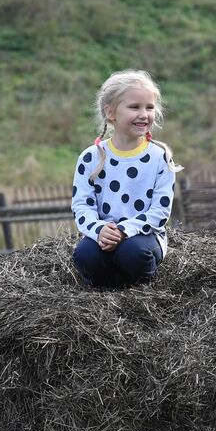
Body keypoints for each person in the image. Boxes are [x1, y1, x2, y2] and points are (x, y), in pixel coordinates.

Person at [70, 70, 181, 288]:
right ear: (110, 112)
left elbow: (160, 212)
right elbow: (82, 205)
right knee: (85, 256)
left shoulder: (160, 158)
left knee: (133, 253)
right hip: (102, 234)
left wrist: (123, 231)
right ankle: (103, 292)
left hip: (143, 235)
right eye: (134, 107)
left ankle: (142, 289)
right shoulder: (91, 157)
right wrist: (100, 230)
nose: (144, 114)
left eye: (149, 107)